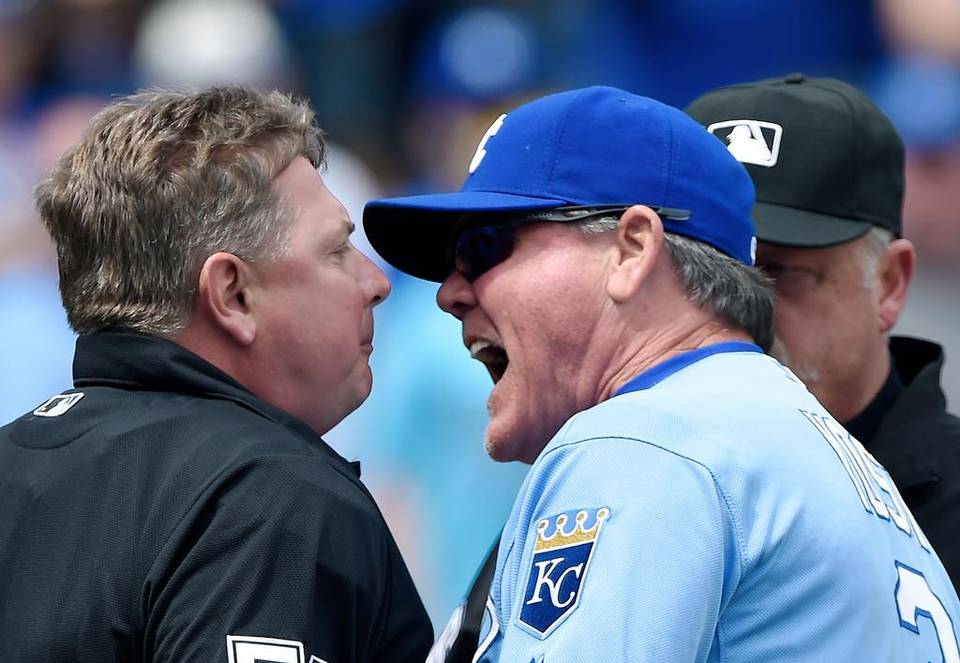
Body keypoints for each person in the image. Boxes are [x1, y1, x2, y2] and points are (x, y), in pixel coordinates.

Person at [363, 86, 960, 661]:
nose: (449, 294)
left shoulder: (651, 439)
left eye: (486, 247)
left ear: (632, 250)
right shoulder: (827, 455)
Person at [0, 87, 433, 663]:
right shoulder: (269, 496)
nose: (376, 283)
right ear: (232, 294)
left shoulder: (13, 457)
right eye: (336, 251)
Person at [687, 73, 960, 589]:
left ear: (889, 283)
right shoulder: (607, 474)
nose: (735, 306)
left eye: (777, 272)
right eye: (704, 269)